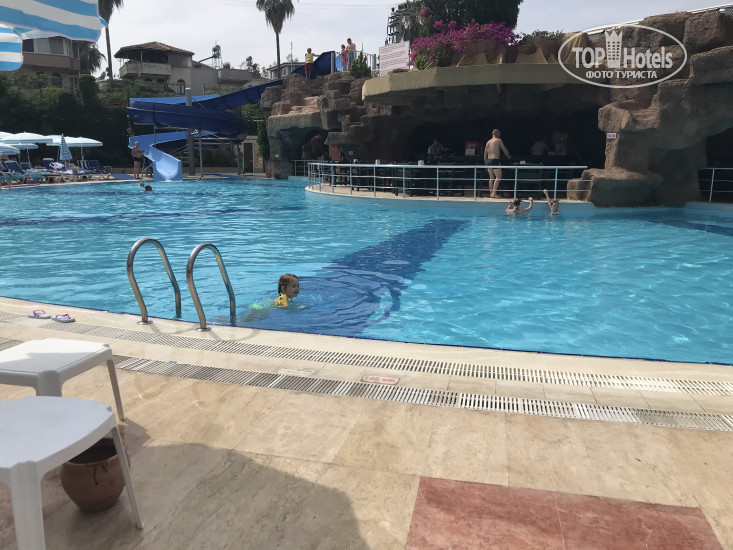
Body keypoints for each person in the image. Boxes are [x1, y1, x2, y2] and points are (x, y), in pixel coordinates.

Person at [484, 129, 511, 198]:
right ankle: (494, 193)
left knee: (491, 178)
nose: (500, 135)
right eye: (499, 133)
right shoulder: (498, 140)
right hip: (494, 160)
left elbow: (485, 154)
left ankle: (491, 193)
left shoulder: (488, 142)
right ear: (497, 133)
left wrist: (486, 164)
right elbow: (504, 149)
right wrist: (508, 156)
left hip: (489, 160)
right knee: (499, 177)